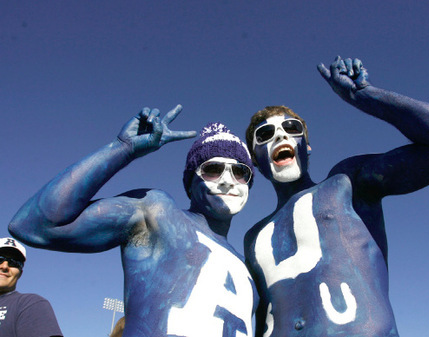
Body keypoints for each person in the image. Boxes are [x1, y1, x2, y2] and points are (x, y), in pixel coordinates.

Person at [243, 56, 429, 336]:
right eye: (265, 135)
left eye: (291, 129)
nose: (279, 137)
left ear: (307, 147)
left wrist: (363, 96)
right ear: (255, 160)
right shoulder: (254, 237)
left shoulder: (346, 182)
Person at [9, 106, 257, 337]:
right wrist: (123, 149)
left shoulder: (250, 273)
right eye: (213, 168)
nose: (227, 180)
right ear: (190, 183)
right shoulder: (157, 212)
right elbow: (34, 226)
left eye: (240, 172)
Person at [0, 237, 63, 337]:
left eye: (14, 262)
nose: (4, 266)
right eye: (0, 259)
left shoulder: (29, 304)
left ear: (20, 273)